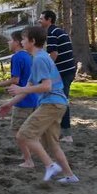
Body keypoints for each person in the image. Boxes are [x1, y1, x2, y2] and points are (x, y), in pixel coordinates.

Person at [3, 26, 79, 183]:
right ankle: (70, 176)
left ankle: (50, 166)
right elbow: (29, 88)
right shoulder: (38, 58)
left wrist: (21, 88)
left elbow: (46, 86)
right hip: (56, 104)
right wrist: (9, 104)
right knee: (52, 145)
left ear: (32, 41)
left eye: (24, 39)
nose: (21, 42)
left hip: (51, 104)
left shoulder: (40, 59)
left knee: (23, 134)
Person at [0, 31, 38, 168]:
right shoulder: (28, 56)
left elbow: (16, 79)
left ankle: (28, 160)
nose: (8, 42)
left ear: (17, 42)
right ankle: (26, 155)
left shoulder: (17, 57)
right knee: (27, 129)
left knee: (18, 131)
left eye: (10, 40)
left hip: (23, 99)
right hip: (32, 97)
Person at [38, 10, 76, 143]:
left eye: (41, 18)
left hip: (65, 72)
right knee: (57, 100)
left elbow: (53, 54)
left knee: (61, 101)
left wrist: (47, 71)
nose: (39, 20)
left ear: (49, 20)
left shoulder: (52, 33)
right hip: (67, 71)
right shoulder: (57, 31)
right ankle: (58, 131)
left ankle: (67, 134)